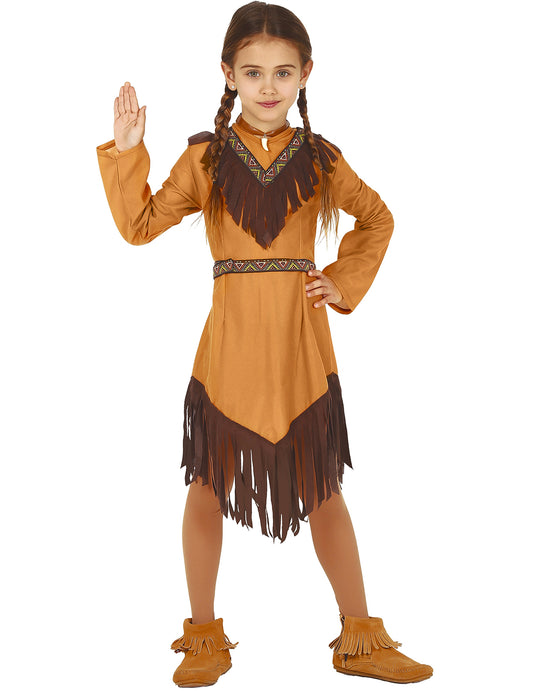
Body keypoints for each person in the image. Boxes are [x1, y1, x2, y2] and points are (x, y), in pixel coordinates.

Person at [96, 1, 433, 686]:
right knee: (206, 485)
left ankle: (359, 639)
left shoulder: (320, 158)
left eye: (283, 72)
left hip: (299, 347)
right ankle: (203, 637)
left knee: (323, 487)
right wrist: (128, 150)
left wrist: (341, 280)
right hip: (229, 347)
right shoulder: (206, 157)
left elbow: (377, 217)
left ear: (306, 73)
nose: (269, 86)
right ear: (228, 74)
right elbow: (139, 225)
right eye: (253, 72)